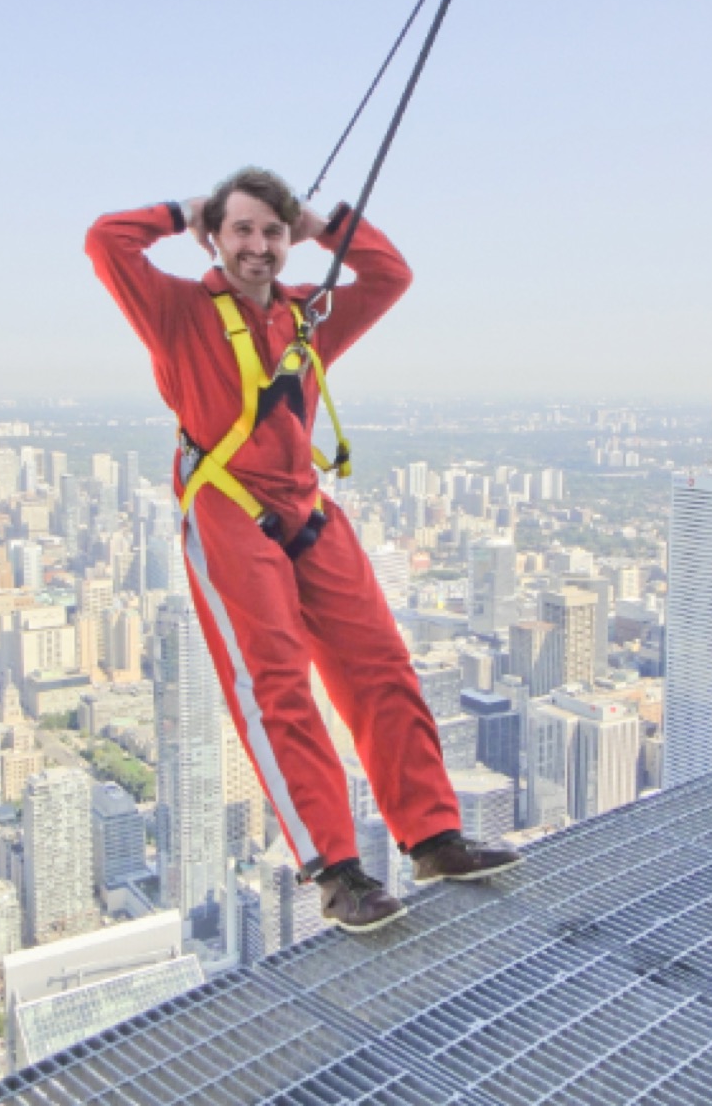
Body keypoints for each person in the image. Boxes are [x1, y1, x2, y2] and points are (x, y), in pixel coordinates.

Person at [86, 167, 520, 932]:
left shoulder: (308, 316)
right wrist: (183, 209)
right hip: (228, 510)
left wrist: (323, 226)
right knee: (277, 684)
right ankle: (338, 871)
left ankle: (431, 835)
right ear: (216, 239)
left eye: (272, 232)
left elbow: (389, 274)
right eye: (243, 230)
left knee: (381, 665)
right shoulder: (177, 311)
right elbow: (106, 241)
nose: (259, 246)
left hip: (307, 508)